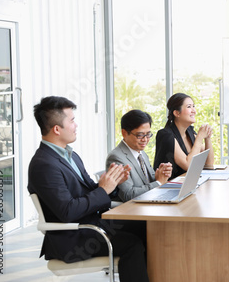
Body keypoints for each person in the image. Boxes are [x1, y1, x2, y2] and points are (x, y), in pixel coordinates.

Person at [27, 96, 149, 282]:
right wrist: (103, 190)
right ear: (57, 129)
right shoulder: (44, 165)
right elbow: (67, 211)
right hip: (75, 238)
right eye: (72, 120)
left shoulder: (71, 155)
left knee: (149, 227)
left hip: (93, 225)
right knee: (132, 244)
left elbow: (92, 190)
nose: (76, 125)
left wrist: (113, 184)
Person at [105, 110, 173, 202]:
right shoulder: (116, 158)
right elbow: (129, 194)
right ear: (124, 133)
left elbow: (150, 181)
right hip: (134, 210)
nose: (145, 140)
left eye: (148, 134)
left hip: (150, 201)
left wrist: (161, 174)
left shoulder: (141, 153)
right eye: (140, 135)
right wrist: (159, 182)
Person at [153, 93, 214, 179]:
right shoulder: (166, 135)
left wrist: (207, 138)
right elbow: (189, 166)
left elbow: (209, 164)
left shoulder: (190, 132)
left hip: (187, 186)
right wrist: (200, 137)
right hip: (169, 188)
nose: (194, 111)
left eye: (194, 106)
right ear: (177, 113)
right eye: (189, 107)